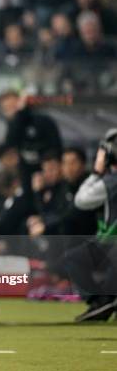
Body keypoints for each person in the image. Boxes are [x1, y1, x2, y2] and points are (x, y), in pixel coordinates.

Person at [64, 128, 117, 322]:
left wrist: (96, 172)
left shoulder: (111, 181)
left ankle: (105, 300)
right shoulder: (110, 180)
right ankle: (100, 301)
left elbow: (81, 200)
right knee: (74, 258)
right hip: (107, 240)